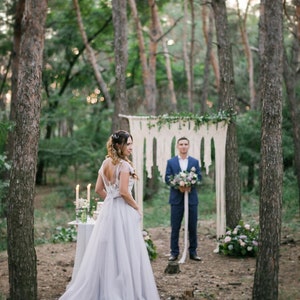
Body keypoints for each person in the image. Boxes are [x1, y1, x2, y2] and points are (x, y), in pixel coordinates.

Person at [60, 130, 160, 300]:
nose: (131, 147)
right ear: (119, 146)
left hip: (109, 210)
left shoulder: (106, 163)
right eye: (128, 144)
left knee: (108, 249)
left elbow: (99, 189)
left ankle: (105, 286)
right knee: (125, 249)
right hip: (123, 211)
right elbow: (124, 192)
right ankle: (123, 290)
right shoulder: (125, 166)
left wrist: (110, 201)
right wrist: (136, 208)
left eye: (131, 143)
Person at [164, 136, 202, 262]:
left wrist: (191, 184)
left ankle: (193, 252)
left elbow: (199, 178)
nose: (183, 146)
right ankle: (174, 252)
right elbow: (167, 178)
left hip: (191, 199)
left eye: (186, 144)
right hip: (176, 199)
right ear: (177, 146)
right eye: (181, 144)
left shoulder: (195, 162)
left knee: (192, 226)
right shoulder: (171, 162)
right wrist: (177, 185)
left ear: (188, 146)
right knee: (175, 226)